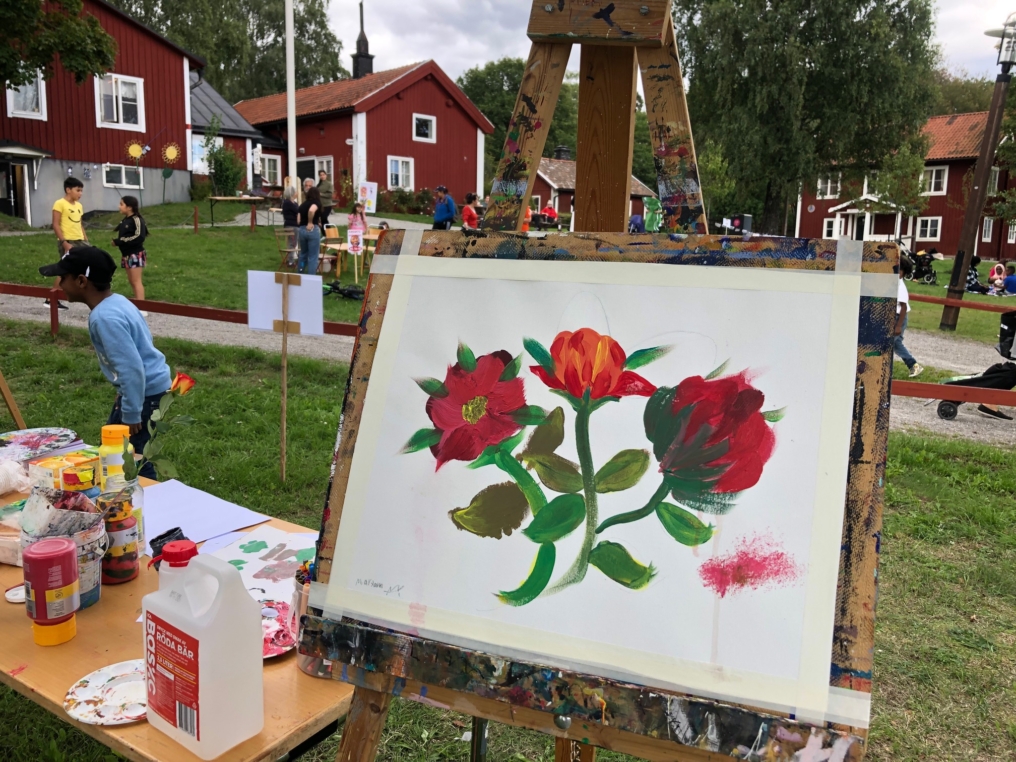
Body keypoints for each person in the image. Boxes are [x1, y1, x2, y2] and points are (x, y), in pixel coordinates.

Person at [38, 247, 171, 479]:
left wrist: (131, 412)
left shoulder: (104, 317)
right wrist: (125, 393)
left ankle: (148, 499)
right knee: (122, 454)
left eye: (63, 278)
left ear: (81, 281)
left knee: (127, 459)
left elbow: (131, 368)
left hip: (144, 395)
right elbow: (138, 352)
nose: (59, 284)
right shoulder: (117, 302)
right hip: (145, 391)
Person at [49, 176, 89, 309]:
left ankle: (82, 293)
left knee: (89, 263)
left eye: (81, 191)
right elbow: (55, 224)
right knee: (66, 270)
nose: (80, 194)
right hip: (68, 240)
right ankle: (51, 299)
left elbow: (80, 224)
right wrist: (64, 242)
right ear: (68, 190)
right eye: (78, 190)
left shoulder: (79, 206)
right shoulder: (59, 204)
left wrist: (85, 239)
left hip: (80, 240)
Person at [111, 195, 149, 306]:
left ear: (129, 207)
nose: (119, 206)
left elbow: (139, 237)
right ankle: (137, 303)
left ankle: (142, 307)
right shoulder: (124, 221)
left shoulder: (137, 219)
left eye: (121, 204)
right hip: (126, 254)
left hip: (135, 254)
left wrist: (120, 241)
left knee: (136, 281)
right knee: (132, 281)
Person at [895, 257, 923, 378]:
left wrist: (898, 326)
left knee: (887, 344)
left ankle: (883, 369)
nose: (896, 273)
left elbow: (904, 307)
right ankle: (914, 366)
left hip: (899, 318)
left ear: (904, 273)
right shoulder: (892, 283)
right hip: (894, 318)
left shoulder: (900, 286)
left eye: (899, 271)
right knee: (896, 344)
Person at [297, 186, 322, 274]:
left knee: (303, 254)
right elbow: (311, 211)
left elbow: (298, 220)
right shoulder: (316, 203)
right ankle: (310, 278)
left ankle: (300, 273)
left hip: (302, 230)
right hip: (312, 230)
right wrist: (310, 222)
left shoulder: (302, 205)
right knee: (313, 256)